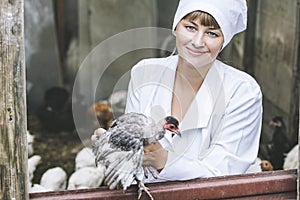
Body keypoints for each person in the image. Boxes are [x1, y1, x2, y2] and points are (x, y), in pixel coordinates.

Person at [125, 0, 263, 182]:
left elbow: (224, 172)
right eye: (190, 27)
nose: (197, 42)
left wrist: (165, 162)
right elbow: (131, 154)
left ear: (224, 41)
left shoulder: (242, 91)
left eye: (212, 33)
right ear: (175, 27)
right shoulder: (144, 72)